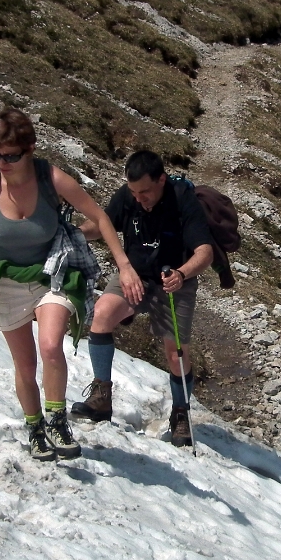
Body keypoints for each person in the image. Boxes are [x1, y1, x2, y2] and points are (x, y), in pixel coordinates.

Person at [0, 108, 144, 462]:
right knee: (25, 365)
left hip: (52, 274)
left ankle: (58, 420)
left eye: (11, 156)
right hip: (6, 280)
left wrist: (124, 266)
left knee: (49, 346)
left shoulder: (51, 180)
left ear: (30, 149)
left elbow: (101, 217)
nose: (3, 163)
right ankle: (35, 428)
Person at [72, 150, 214, 447]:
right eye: (134, 192)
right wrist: (76, 233)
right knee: (101, 315)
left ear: (162, 180)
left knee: (175, 350)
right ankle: (101, 399)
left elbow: (204, 252)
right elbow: (104, 225)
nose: (139, 198)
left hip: (175, 282)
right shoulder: (128, 196)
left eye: (145, 191)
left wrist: (182, 274)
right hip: (134, 276)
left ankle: (180, 413)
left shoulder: (182, 200)